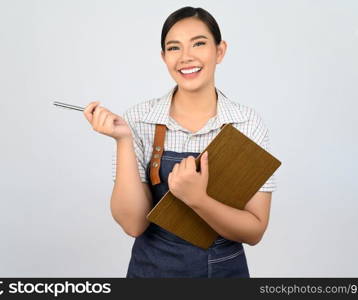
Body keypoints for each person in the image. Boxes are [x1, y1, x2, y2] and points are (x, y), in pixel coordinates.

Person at [83, 6, 277, 278]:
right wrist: (123, 140)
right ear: (164, 57)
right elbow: (133, 224)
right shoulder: (139, 120)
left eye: (199, 43)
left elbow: (255, 230)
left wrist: (198, 199)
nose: (186, 57)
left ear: (219, 51)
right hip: (151, 274)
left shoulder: (246, 123)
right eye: (174, 48)